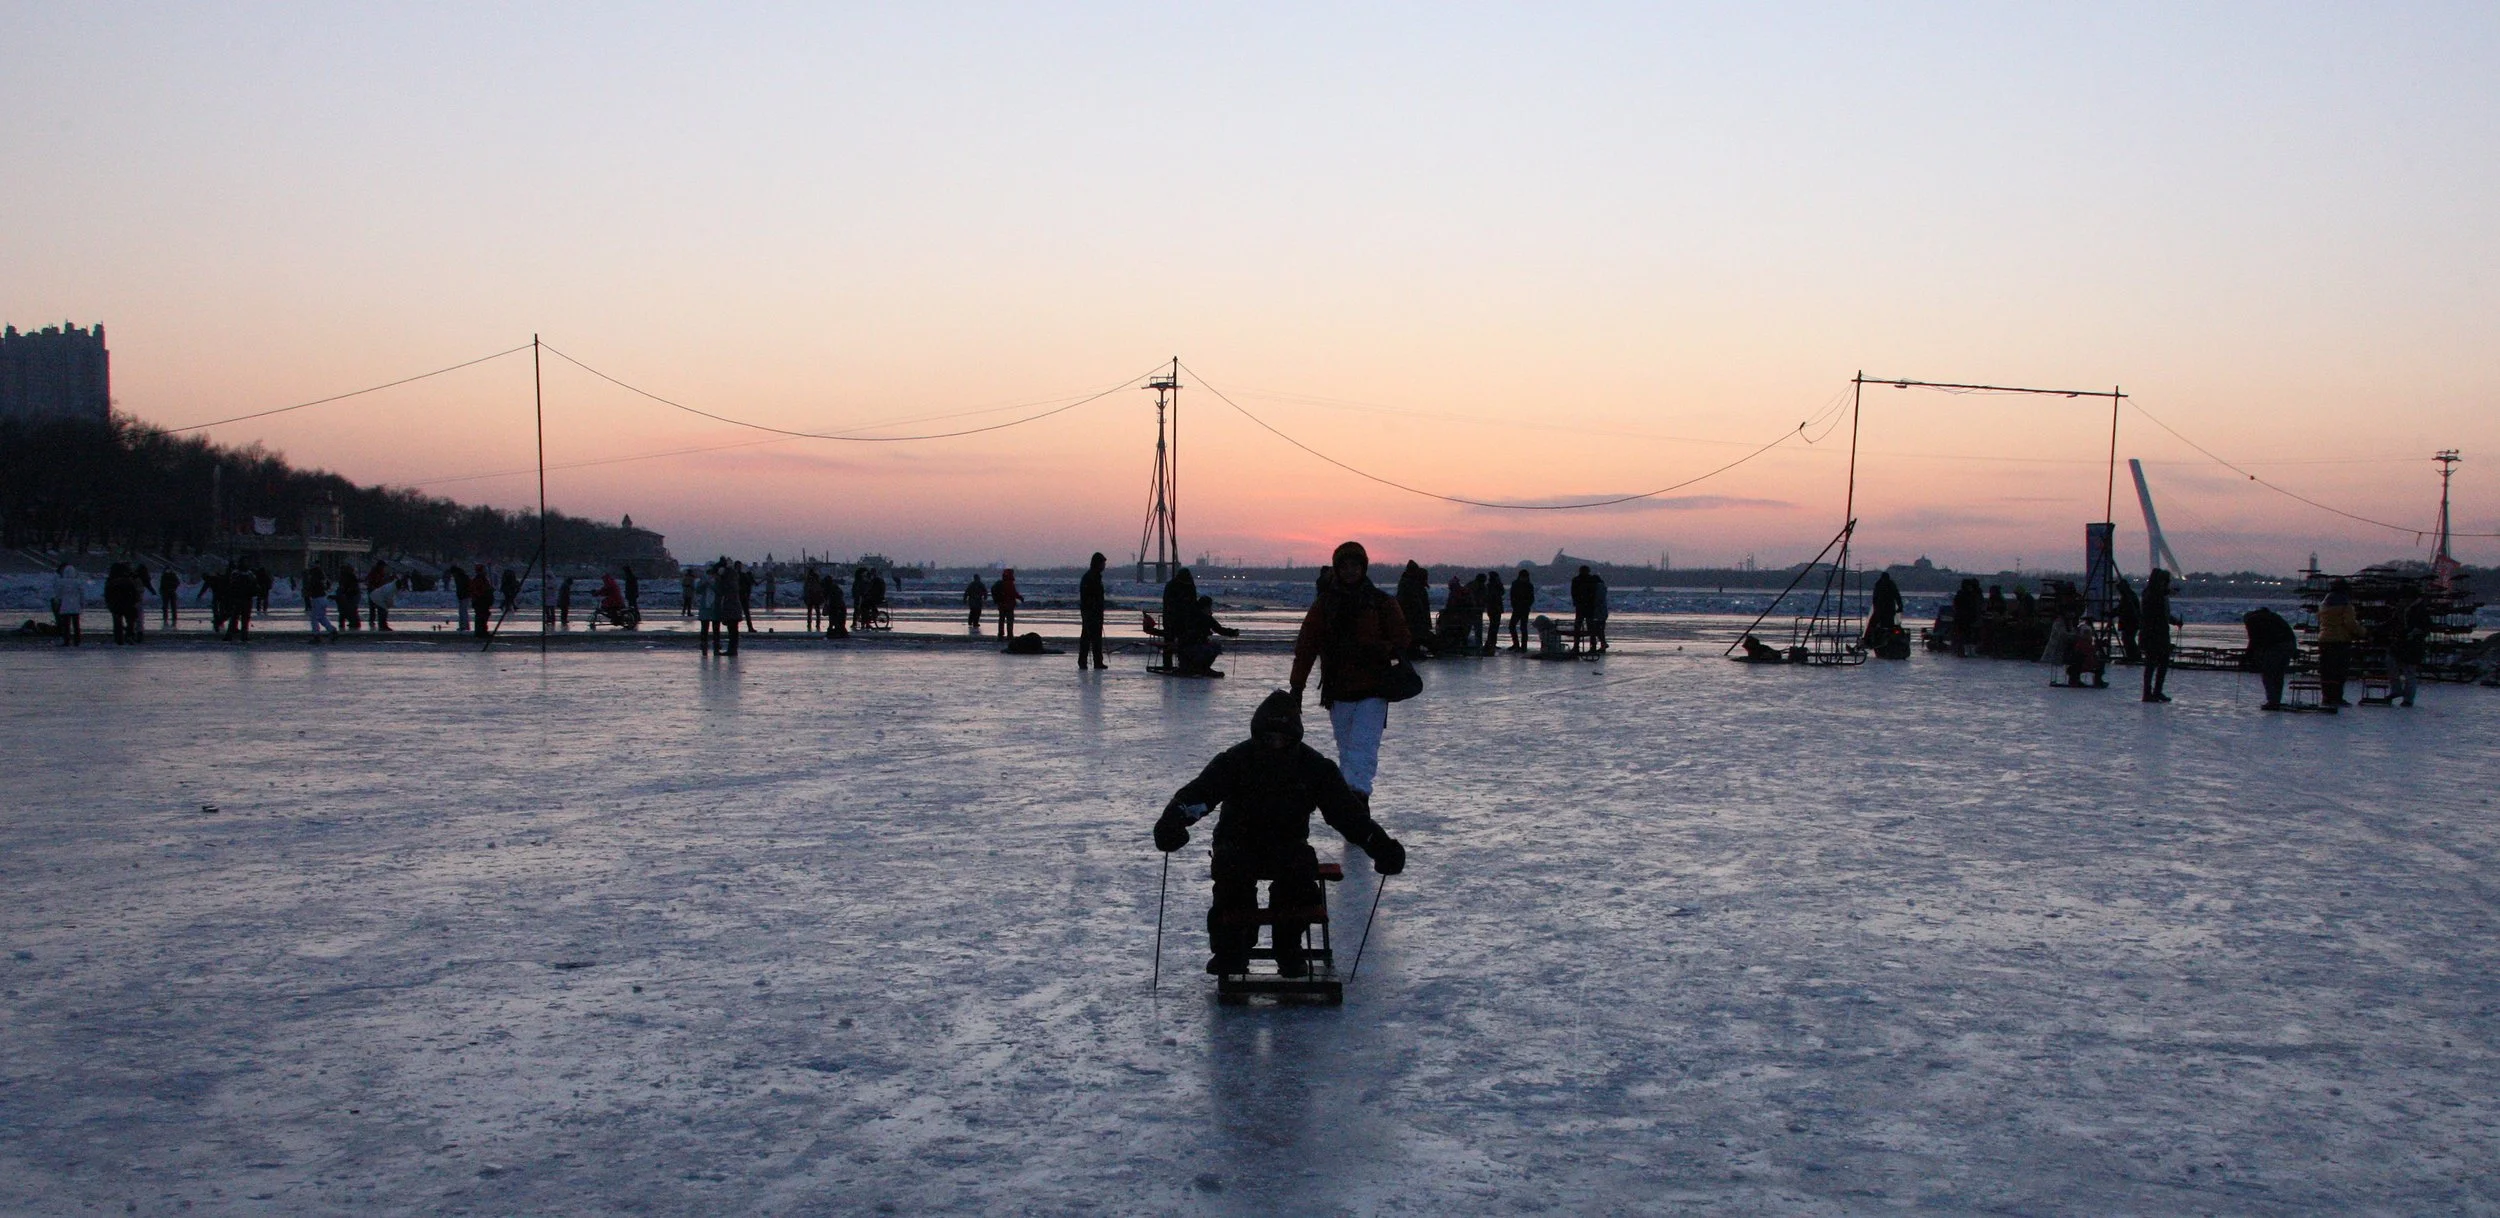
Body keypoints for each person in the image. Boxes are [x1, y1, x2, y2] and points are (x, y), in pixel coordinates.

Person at [1154, 691, 1406, 977]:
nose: (1275, 744)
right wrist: (1172, 821)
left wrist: (1379, 844)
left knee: (1299, 880)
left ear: (1295, 736)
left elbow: (1347, 814)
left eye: (1283, 737)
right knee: (1231, 882)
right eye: (1268, 736)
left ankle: (1288, 947)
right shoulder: (1235, 761)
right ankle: (1231, 949)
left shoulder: (1315, 767)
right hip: (1238, 843)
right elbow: (1199, 795)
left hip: (1288, 845)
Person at [1288, 541, 1414, 807]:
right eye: (1344, 566)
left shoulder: (1381, 602)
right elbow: (1307, 646)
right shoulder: (1324, 606)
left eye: (1355, 565)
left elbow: (1403, 638)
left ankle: (1357, 799)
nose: (1349, 571)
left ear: (1363, 567)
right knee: (1347, 750)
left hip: (1374, 688)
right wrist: (1296, 687)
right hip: (1339, 689)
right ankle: (1351, 803)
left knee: (1363, 747)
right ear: (1337, 569)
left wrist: (1381, 648)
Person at [2315, 578, 2361, 710]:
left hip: (2324, 640)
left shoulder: (2324, 604)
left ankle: (2326, 697)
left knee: (2326, 670)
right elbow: (2350, 624)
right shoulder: (2346, 605)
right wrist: (2363, 632)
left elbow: (2320, 619)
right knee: (2339, 671)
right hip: (2341, 641)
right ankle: (2337, 697)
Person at [2243, 605, 2298, 710]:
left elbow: (2254, 641)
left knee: (2268, 673)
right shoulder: (2272, 616)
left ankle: (2272, 701)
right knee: (2279, 674)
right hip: (2289, 644)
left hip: (2277, 646)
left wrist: (2247, 657)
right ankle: (2275, 700)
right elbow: (2288, 632)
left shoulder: (2251, 621)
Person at [2139, 569, 2179, 702]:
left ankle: (2156, 691)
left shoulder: (2157, 595)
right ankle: (2148, 693)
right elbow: (2155, 608)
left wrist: (2175, 621)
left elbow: (2164, 614)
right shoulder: (2152, 595)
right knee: (2151, 664)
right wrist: (2167, 592)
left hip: (2160, 633)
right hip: (2152, 634)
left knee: (2162, 663)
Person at [1175, 594, 1240, 675]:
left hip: (1191, 644)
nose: (1210, 609)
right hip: (1187, 645)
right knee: (1209, 649)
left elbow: (1218, 629)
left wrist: (1232, 632)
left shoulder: (1204, 617)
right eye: (1209, 607)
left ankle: (1202, 668)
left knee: (1214, 647)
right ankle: (1194, 667)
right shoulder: (1195, 616)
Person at [2389, 589, 2431, 707]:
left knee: (2409, 671)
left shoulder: (2419, 610)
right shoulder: (2403, 609)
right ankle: (2397, 690)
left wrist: (2413, 633)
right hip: (2403, 642)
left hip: (2413, 644)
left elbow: (2425, 627)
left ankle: (2408, 699)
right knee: (2391, 662)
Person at [1160, 568, 1199, 669]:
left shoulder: (1188, 585)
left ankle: (1183, 664)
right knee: (1170, 642)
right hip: (1172, 619)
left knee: (1183, 642)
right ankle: (1168, 665)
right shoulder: (1174, 586)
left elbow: (1193, 602)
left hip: (1184, 620)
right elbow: (1170, 604)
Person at [1395, 561, 1434, 658]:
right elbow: (1415, 604)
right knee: (1415, 636)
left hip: (1414, 619)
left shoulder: (1410, 584)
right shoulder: (1409, 585)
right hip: (1412, 620)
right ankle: (1412, 650)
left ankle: (1414, 649)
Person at [1078, 552, 1108, 670]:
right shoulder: (1090, 577)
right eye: (1103, 563)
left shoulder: (1095, 576)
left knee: (1095, 638)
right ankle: (1083, 661)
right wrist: (1093, 608)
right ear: (1098, 564)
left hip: (1095, 611)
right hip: (1090, 612)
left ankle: (1097, 661)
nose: (1104, 566)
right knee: (1088, 637)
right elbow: (1088, 596)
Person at [104, 563, 140, 644]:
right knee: (130, 621)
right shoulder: (128, 581)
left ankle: (119, 639)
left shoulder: (111, 581)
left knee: (117, 623)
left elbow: (107, 594)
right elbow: (134, 593)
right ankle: (129, 635)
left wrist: (109, 603)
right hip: (128, 604)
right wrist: (134, 601)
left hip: (115, 604)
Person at [304, 563, 339, 642]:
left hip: (317, 599)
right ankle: (332, 630)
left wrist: (308, 592)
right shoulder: (322, 577)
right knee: (321, 617)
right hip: (323, 598)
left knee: (314, 618)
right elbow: (328, 585)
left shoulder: (314, 578)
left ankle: (316, 635)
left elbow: (311, 588)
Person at [2114, 576, 2143, 664]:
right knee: (2128, 639)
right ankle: (2133, 656)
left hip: (2130, 622)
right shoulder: (2129, 595)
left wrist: (2112, 613)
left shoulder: (2128, 596)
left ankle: (2133, 656)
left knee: (2128, 639)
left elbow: (2122, 609)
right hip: (2131, 622)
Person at [1569, 565, 1598, 646]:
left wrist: (1576, 601)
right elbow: (1594, 593)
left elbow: (1573, 593)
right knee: (1589, 627)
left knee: (1580, 626)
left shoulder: (1576, 580)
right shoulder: (1591, 580)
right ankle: (1592, 646)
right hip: (1587, 606)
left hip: (1582, 606)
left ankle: (1577, 645)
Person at [992, 569, 1023, 639]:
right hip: (1009, 605)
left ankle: (1000, 634)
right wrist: (1020, 597)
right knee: (1009, 620)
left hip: (1001, 604)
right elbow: (1013, 593)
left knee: (1001, 620)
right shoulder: (1009, 583)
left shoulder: (1001, 583)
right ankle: (1009, 634)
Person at [366, 561, 397, 632]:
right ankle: (382, 625)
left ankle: (377, 622)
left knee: (376, 609)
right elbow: (378, 582)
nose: (384, 568)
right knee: (381, 609)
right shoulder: (376, 573)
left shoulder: (377, 573)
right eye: (383, 566)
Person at [1509, 568, 1534, 651]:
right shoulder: (1515, 584)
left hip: (1524, 609)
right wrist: (1514, 605)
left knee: (1523, 627)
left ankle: (1523, 646)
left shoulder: (1529, 585)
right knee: (1512, 626)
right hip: (1517, 608)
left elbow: (1531, 598)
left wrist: (1526, 605)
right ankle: (1516, 644)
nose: (1524, 578)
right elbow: (1512, 596)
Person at [468, 565, 495, 639]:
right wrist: (486, 592)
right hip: (480, 601)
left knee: (483, 616)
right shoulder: (479, 580)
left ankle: (482, 631)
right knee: (481, 617)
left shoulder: (481, 579)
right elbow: (478, 591)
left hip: (482, 601)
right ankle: (480, 632)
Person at [334, 561, 362, 632]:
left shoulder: (347, 576)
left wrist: (345, 592)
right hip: (350, 595)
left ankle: (351, 622)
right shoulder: (349, 576)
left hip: (349, 595)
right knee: (350, 609)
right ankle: (353, 622)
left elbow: (348, 586)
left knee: (346, 610)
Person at [1589, 571, 1611, 652]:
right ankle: (1603, 644)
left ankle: (1603, 643)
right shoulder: (1602, 587)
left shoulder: (1598, 588)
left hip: (1599, 613)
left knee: (1598, 629)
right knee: (1600, 629)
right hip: (1602, 612)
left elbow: (1598, 600)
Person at [823, 571, 848, 639]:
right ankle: (839, 633)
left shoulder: (830, 589)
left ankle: (835, 633)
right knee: (838, 623)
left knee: (835, 622)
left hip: (836, 607)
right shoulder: (835, 588)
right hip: (838, 607)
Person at [446, 564, 470, 634]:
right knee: (463, 611)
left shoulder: (460, 577)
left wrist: (461, 594)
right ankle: (464, 625)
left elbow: (462, 587)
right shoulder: (462, 576)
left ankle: (464, 626)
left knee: (463, 611)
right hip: (464, 595)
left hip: (464, 595)